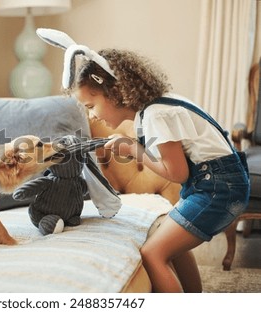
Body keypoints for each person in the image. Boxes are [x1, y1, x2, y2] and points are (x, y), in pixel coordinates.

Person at [67, 48, 250, 293]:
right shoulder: (158, 105)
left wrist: (133, 149)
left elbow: (177, 174)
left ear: (115, 93)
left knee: (152, 254)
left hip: (217, 189)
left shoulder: (155, 115)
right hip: (220, 183)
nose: (92, 115)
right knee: (171, 246)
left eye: (91, 105)